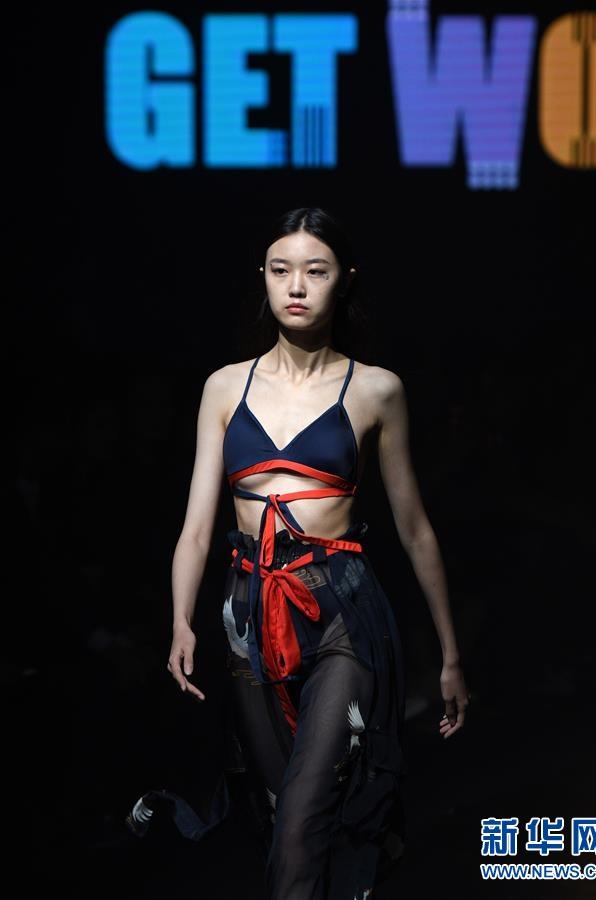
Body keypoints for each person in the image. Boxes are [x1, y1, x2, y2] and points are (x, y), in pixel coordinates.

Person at [134, 207, 469, 900]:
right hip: (247, 614)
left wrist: (450, 655)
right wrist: (179, 620)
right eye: (281, 270)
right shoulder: (226, 386)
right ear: (262, 277)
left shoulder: (375, 388)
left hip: (342, 609)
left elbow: (414, 527)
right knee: (283, 813)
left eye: (315, 271)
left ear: (344, 280)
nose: (296, 286)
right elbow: (197, 526)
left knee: (302, 820)